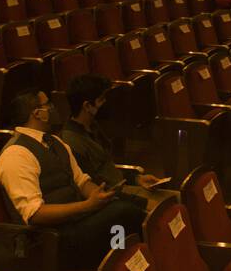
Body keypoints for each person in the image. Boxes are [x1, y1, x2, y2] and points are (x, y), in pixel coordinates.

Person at [0, 89, 145, 269]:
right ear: (38, 113)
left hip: (76, 222)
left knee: (125, 206)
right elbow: (34, 214)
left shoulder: (56, 142)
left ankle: (134, 268)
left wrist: (97, 196)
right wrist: (87, 205)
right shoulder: (16, 155)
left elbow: (81, 181)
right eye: (47, 104)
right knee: (124, 213)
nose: (53, 108)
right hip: (51, 238)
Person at [57, 75, 168, 203]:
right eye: (101, 99)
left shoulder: (91, 125)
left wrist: (137, 179)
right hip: (112, 199)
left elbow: (108, 169)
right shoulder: (71, 142)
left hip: (122, 188)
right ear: (87, 106)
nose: (105, 102)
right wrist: (143, 203)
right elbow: (96, 189)